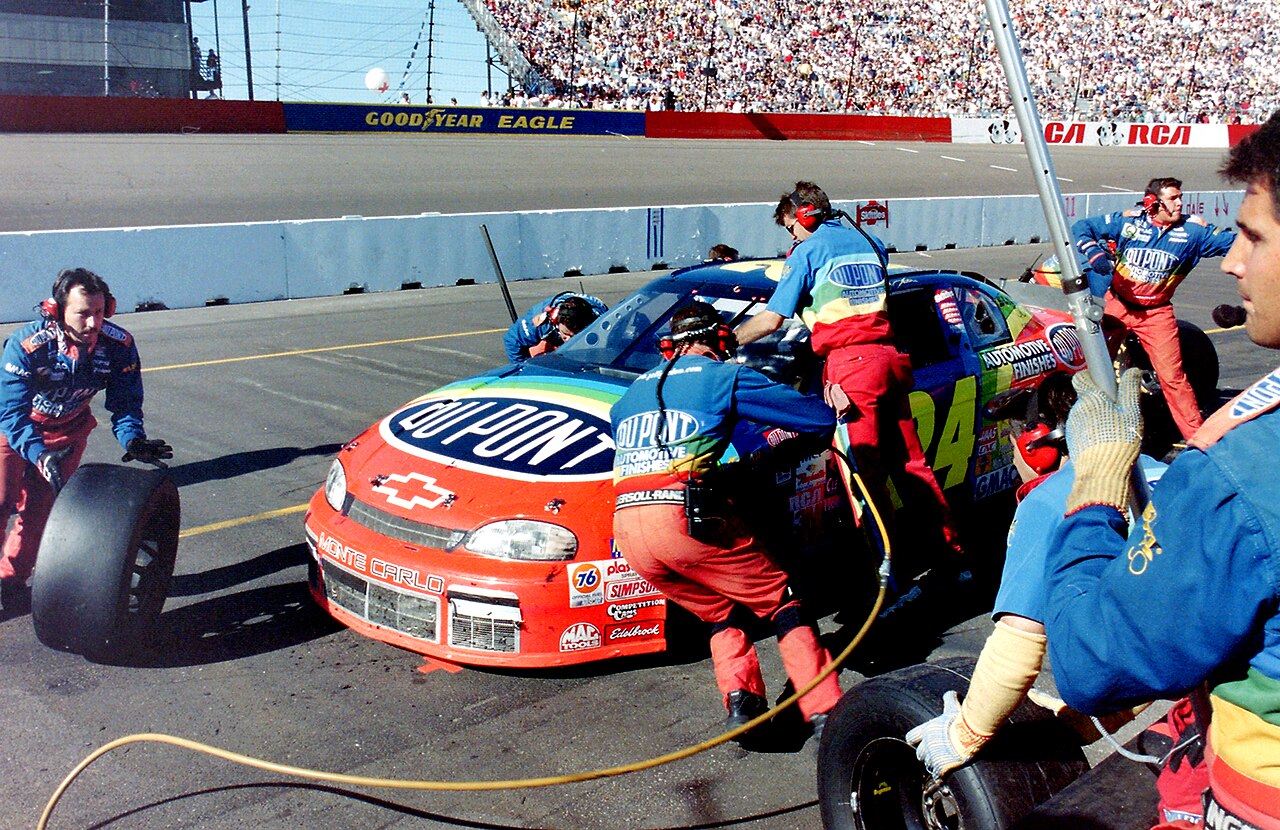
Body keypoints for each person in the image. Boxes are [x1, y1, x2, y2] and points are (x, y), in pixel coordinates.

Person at [1044, 110, 1280, 829]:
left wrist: (1096, 483)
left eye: (1255, 237)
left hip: (1254, 801)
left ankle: (1176, 433)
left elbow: (1091, 661)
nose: (1233, 260)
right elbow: (1086, 232)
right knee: (1102, 362)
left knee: (1176, 384)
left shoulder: (1244, 473)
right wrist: (1091, 267)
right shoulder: (1128, 222)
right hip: (1119, 306)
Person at [905, 371, 1167, 776]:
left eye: (1013, 447)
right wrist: (1086, 721)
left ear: (1037, 448)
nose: (1014, 462)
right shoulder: (1162, 471)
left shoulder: (1049, 500)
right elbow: (1169, 631)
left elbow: (1018, 645)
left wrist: (963, 735)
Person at [611, 301, 843, 738]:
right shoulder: (724, 375)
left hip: (627, 528)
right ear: (720, 339)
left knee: (719, 608)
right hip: (682, 519)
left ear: (669, 347)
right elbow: (814, 419)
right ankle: (825, 708)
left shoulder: (630, 394)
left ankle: (743, 703)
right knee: (781, 598)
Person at [734, 181, 962, 578]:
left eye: (791, 228)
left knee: (864, 474)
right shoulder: (869, 241)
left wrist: (723, 340)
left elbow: (771, 320)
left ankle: (887, 573)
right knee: (912, 466)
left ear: (806, 216)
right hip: (890, 359)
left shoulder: (808, 251)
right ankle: (951, 554)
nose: (792, 237)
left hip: (851, 367)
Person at [0, 268, 171, 612]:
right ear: (57, 310)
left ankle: (9, 582)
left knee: (40, 513)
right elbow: (10, 415)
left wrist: (133, 440)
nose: (93, 323)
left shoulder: (119, 345)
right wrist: (38, 454)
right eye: (82, 313)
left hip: (69, 432)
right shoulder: (26, 346)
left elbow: (125, 403)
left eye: (99, 311)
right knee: (1, 500)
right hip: (14, 432)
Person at [1072, 176, 1237, 440]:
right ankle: (1080, 427)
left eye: (1181, 198)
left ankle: (1198, 439)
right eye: (1173, 198)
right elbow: (1081, 227)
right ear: (1152, 202)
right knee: (1091, 364)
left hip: (1156, 314)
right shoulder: (1129, 222)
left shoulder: (1194, 232)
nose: (1180, 203)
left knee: (1173, 378)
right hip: (1117, 304)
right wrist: (1094, 252)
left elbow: (1237, 243)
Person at [503, 292, 607, 363]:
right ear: (556, 321)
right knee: (538, 353)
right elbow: (512, 340)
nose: (569, 340)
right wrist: (523, 369)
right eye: (566, 334)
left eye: (574, 336)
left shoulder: (601, 321)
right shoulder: (542, 322)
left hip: (589, 319)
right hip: (549, 337)